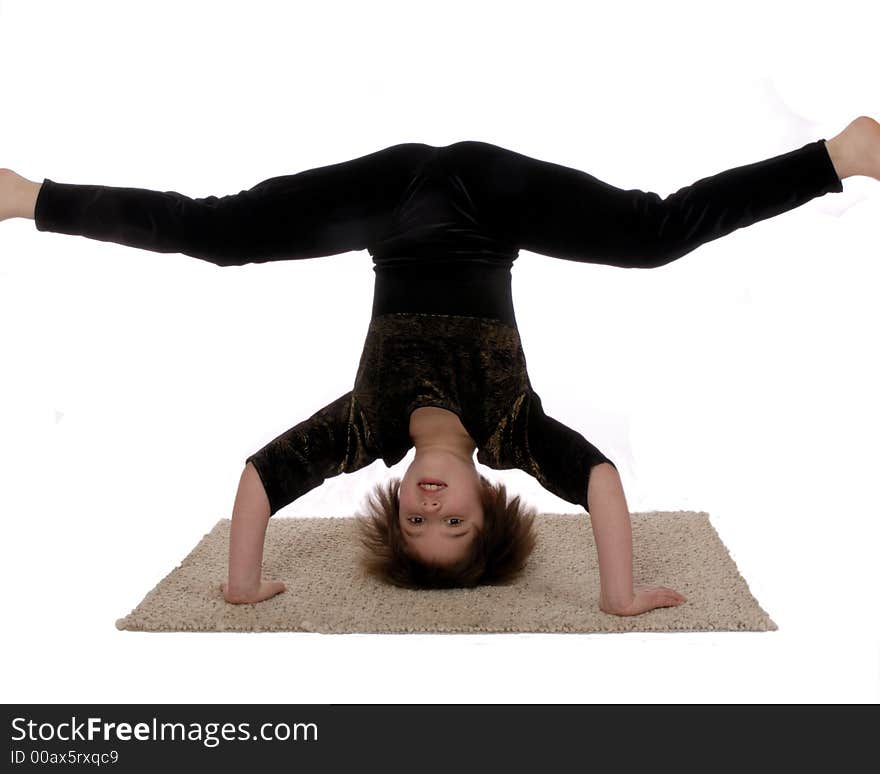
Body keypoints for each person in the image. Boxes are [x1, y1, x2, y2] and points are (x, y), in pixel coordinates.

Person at [2, 116, 876, 617]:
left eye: (418, 526)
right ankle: (841, 154)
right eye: (454, 524)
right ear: (485, 502)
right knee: (650, 239)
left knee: (220, 236)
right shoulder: (516, 433)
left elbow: (258, 481)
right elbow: (602, 481)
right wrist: (619, 594)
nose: (431, 509)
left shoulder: (364, 429)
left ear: (398, 507)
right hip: (493, 202)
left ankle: (25, 196)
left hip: (387, 202)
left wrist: (239, 585)